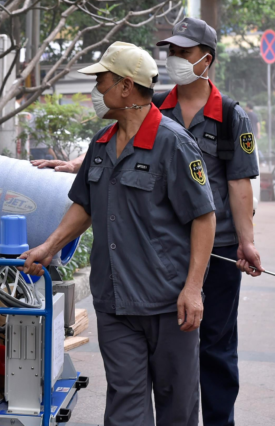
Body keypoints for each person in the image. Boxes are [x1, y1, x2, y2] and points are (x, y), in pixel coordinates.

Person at [21, 42, 216, 426]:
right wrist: (49, 246)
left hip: (167, 301)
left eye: (102, 80)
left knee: (177, 407)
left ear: (126, 86)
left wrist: (193, 288)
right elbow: (84, 205)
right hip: (115, 303)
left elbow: (203, 217)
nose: (97, 89)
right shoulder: (101, 144)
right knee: (126, 408)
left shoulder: (173, 143)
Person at [155, 17, 262, 426]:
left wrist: (246, 242)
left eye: (184, 52)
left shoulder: (231, 116)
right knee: (169, 347)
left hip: (217, 250)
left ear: (207, 59)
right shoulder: (155, 110)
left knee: (215, 344)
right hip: (164, 249)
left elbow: (239, 185)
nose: (175, 59)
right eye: (172, 52)